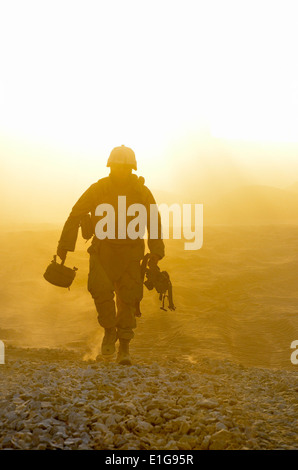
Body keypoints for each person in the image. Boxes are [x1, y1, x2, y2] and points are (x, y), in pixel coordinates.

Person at [57, 145, 165, 365]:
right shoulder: (99, 189)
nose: (121, 170)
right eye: (117, 166)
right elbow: (76, 213)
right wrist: (64, 246)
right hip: (102, 250)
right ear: (110, 166)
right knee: (100, 292)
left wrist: (156, 252)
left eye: (125, 167)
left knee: (128, 299)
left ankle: (124, 348)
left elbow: (154, 220)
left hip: (131, 252)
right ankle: (109, 331)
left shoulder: (141, 192)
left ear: (132, 168)